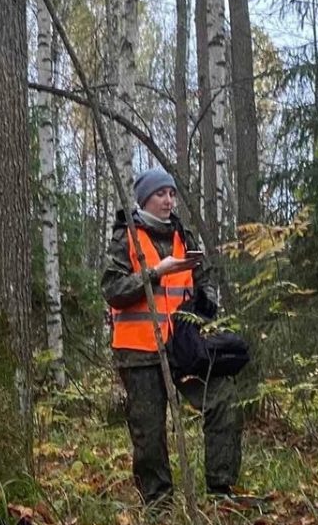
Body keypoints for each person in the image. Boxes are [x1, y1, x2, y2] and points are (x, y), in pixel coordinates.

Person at [102, 169, 243, 505]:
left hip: (183, 349)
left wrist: (205, 298)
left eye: (171, 194)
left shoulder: (184, 236)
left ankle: (221, 492)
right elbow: (111, 289)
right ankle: (158, 504)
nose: (168, 201)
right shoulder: (127, 238)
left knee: (223, 400)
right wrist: (153, 274)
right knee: (149, 435)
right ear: (145, 199)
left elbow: (203, 276)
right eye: (160, 195)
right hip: (138, 353)